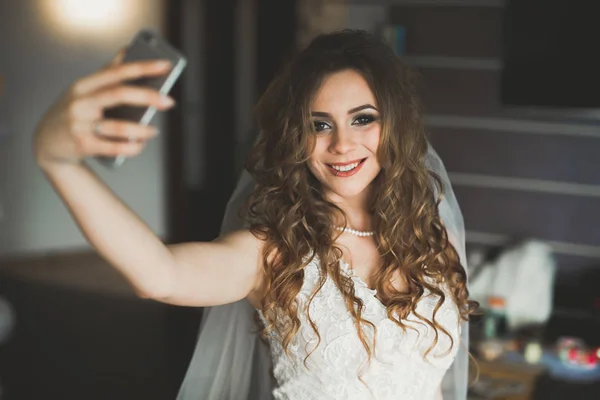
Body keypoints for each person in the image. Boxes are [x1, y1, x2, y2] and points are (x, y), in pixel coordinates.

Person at [34, 30, 477, 399]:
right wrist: (59, 163)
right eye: (318, 124)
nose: (341, 143)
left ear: (395, 125)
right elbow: (161, 274)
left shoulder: (430, 234)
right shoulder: (273, 253)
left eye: (362, 119)